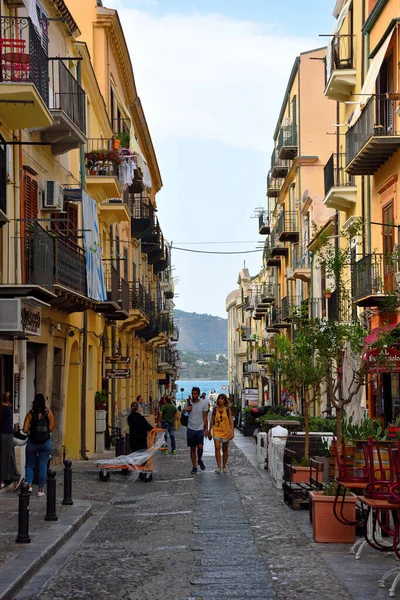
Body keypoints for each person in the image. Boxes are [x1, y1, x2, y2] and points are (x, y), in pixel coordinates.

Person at [23, 394, 54, 496]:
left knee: (29, 465)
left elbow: (25, 430)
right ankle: (41, 490)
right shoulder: (49, 413)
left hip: (32, 442)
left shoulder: (30, 414)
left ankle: (29, 486)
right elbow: (51, 428)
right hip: (45, 443)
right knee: (43, 466)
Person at [0, 392, 22, 490]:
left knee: (5, 457)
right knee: (10, 456)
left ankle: (7, 479)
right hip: (8, 433)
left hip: (4, 434)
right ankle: (14, 478)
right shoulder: (9, 407)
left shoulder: (4, 408)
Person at [185, 387, 209, 474]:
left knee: (200, 447)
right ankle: (194, 466)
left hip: (200, 428)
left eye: (195, 394)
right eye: (192, 393)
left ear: (198, 394)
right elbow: (182, 414)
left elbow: (205, 416)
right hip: (190, 428)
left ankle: (199, 459)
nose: (193, 395)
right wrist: (185, 410)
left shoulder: (203, 404)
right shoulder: (188, 403)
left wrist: (206, 429)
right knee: (192, 448)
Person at [209, 393, 234, 473]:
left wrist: (232, 431)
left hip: (226, 431)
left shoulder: (227, 410)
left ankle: (224, 466)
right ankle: (219, 466)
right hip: (217, 431)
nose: (220, 400)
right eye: (219, 399)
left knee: (225, 449)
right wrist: (209, 431)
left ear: (225, 400)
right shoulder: (215, 409)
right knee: (217, 447)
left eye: (222, 399)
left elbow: (231, 420)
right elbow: (212, 420)